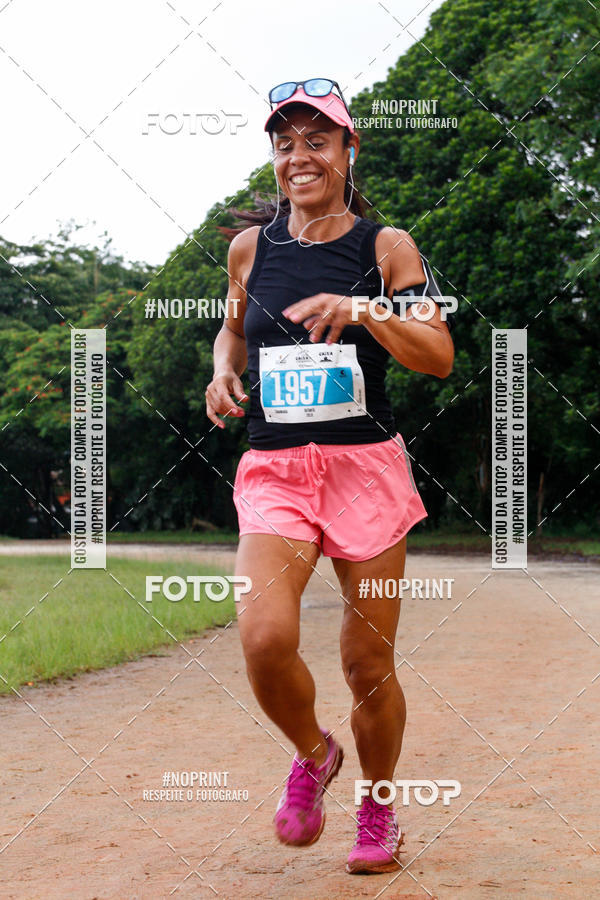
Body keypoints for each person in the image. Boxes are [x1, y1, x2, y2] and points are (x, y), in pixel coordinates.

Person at [206, 78, 454, 875]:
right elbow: (233, 328)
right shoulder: (252, 249)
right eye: (285, 143)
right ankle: (313, 754)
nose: (298, 155)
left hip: (365, 471)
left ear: (350, 150)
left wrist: (365, 311)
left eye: (317, 139)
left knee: (365, 663)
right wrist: (221, 370)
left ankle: (378, 815)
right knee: (264, 634)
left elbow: (439, 356)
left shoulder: (388, 247)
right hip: (275, 467)